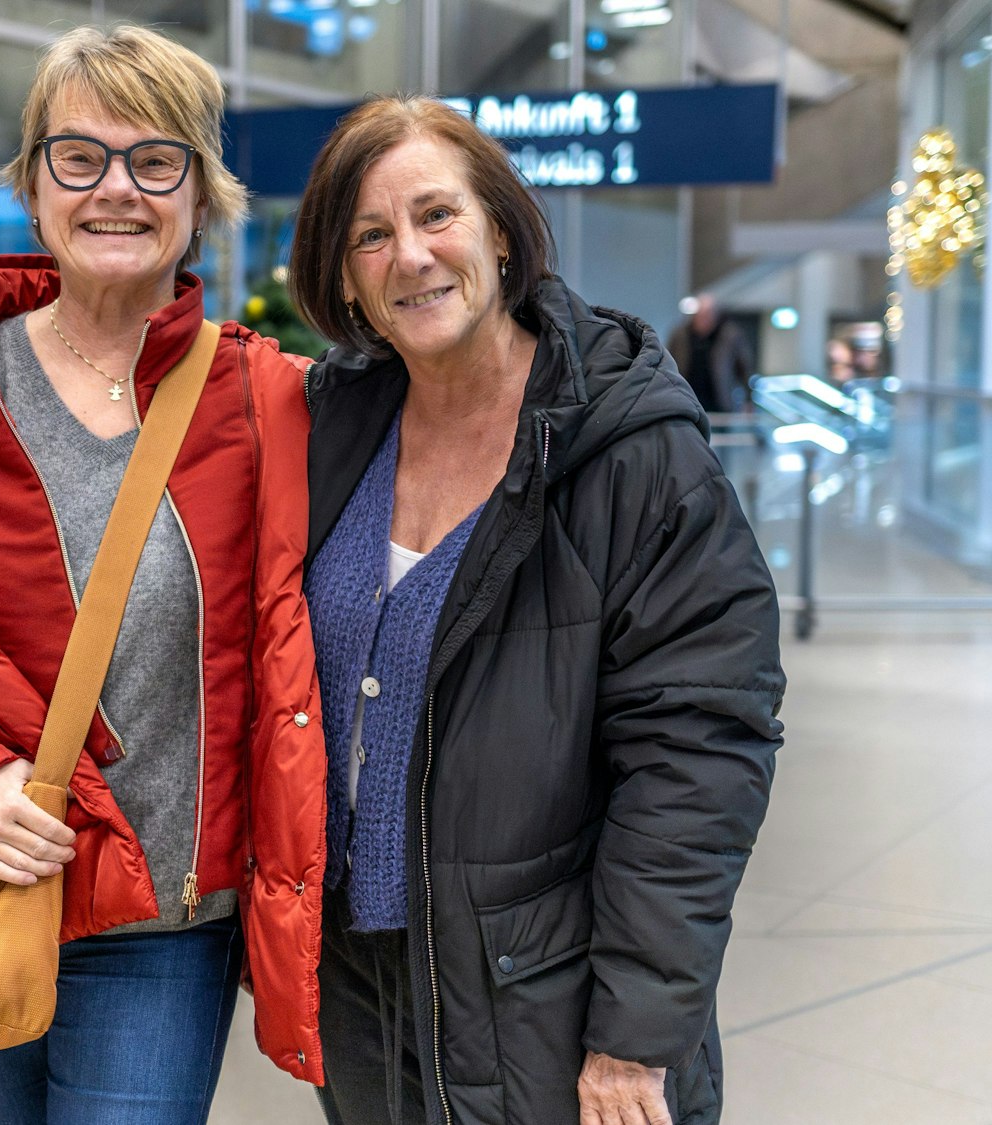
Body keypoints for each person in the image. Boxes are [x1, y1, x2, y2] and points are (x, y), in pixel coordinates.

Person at [0, 25, 327, 1125]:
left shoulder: (267, 401)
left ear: (199, 193)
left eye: (154, 159)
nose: (115, 190)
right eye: (78, 158)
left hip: (163, 929)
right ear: (33, 186)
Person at [288, 95, 784, 1125]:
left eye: (436, 216)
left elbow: (697, 752)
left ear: (501, 233)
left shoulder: (629, 449)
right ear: (343, 277)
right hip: (360, 987)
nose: (410, 256)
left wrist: (633, 1034)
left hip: (545, 997)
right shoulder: (327, 430)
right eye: (370, 236)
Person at [666, 292, 754, 414]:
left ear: (715, 316)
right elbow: (667, 365)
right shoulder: (680, 335)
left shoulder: (730, 335)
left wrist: (749, 399)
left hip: (719, 400)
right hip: (686, 398)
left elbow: (744, 368)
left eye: (708, 315)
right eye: (701, 315)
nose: (705, 320)